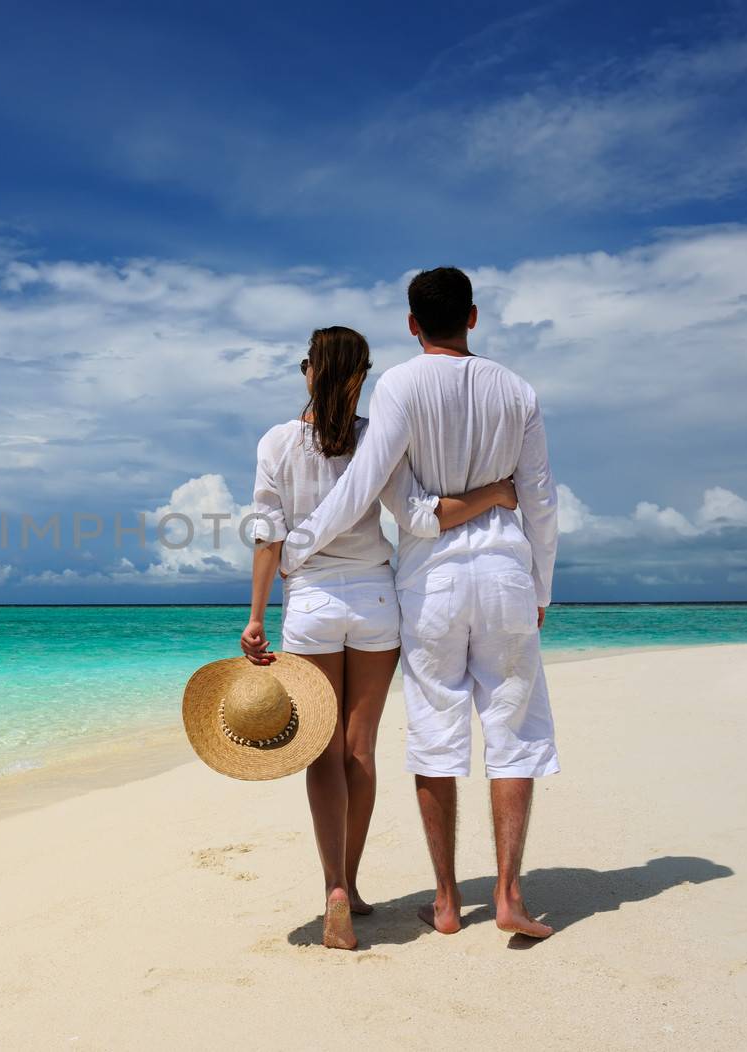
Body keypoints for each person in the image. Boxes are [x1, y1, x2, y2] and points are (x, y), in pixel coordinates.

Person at [277, 270, 561, 940]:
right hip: (504, 573)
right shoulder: (517, 391)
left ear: (411, 324)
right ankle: (510, 894)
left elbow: (370, 491)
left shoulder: (400, 385)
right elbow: (541, 501)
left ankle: (442, 902)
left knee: (436, 731)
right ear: (473, 317)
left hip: (429, 585)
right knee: (512, 730)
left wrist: (297, 548)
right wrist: (543, 585)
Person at [240, 325, 520, 950]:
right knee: (359, 750)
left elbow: (268, 535)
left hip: (310, 603)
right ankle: (356, 884)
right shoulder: (376, 439)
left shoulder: (277, 443)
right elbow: (420, 516)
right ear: (361, 376)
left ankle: (334, 885)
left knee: (322, 750)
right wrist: (495, 494)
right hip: (374, 603)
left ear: (307, 370)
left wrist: (256, 616)